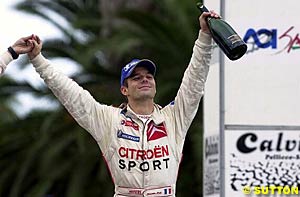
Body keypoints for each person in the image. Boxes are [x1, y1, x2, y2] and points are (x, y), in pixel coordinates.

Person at [0, 10, 219, 197]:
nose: (144, 79)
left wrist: (204, 36)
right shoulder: (108, 119)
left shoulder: (174, 117)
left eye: (148, 76)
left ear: (155, 85)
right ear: (124, 90)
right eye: (136, 77)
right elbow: (72, 94)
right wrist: (38, 60)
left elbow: (194, 82)